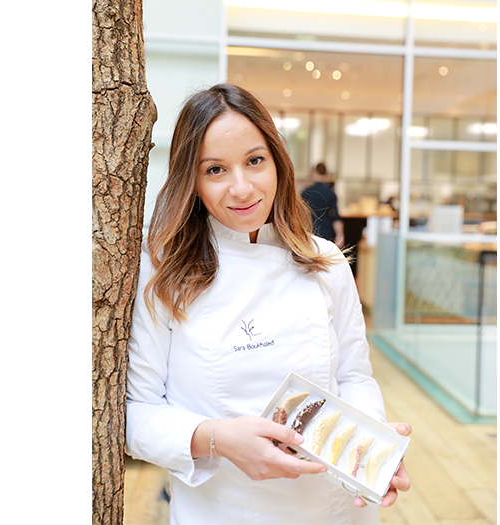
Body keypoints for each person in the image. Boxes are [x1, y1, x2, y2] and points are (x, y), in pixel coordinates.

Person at [125, 83, 409, 524]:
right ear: (192, 181)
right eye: (215, 169)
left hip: (334, 510)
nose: (242, 188)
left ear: (278, 162)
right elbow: (136, 414)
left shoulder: (325, 261)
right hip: (224, 511)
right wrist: (216, 438)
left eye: (255, 161)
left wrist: (370, 447)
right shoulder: (162, 274)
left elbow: (354, 376)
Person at [301, 162, 345, 247]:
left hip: (308, 234)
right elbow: (336, 218)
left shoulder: (306, 192)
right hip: (326, 235)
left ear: (314, 172)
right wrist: (340, 235)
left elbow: (298, 214)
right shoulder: (330, 193)